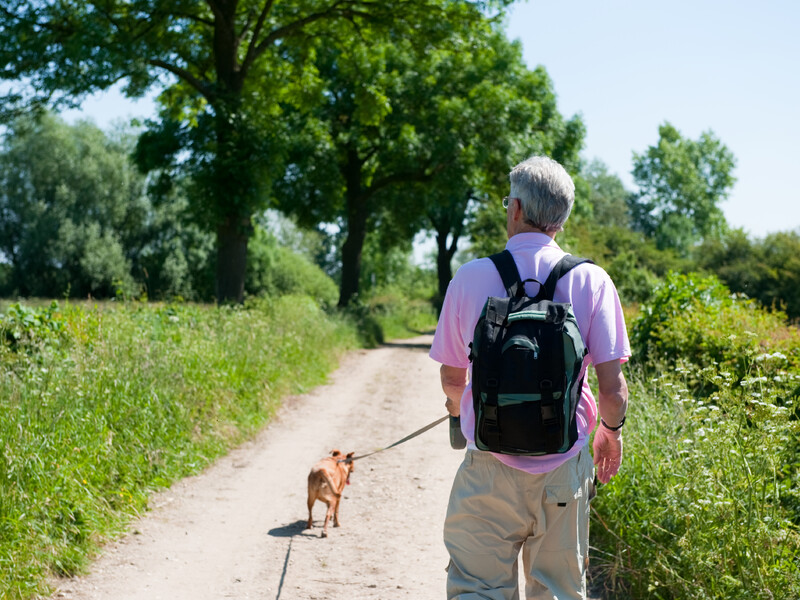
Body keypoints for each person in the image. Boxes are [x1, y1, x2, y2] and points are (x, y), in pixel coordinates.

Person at [429, 155, 630, 600]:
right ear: (562, 216)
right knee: (556, 591)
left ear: (516, 208)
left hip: (488, 466)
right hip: (563, 465)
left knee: (476, 589)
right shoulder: (592, 281)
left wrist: (456, 411)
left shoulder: (471, 276)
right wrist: (610, 434)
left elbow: (451, 376)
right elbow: (613, 391)